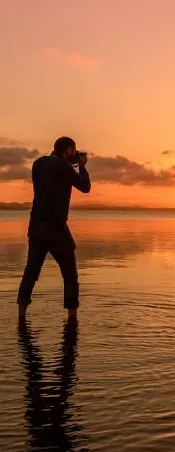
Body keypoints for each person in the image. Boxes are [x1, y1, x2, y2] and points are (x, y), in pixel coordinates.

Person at [17, 136, 91, 321]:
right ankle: (72, 319)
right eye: (73, 151)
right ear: (67, 151)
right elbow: (85, 186)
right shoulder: (62, 166)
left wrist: (71, 162)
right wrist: (81, 165)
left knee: (31, 271)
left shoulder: (38, 164)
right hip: (56, 228)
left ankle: (21, 317)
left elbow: (53, 175)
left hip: (35, 226)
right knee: (70, 275)